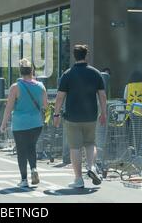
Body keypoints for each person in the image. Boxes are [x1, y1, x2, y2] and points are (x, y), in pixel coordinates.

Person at [53, 45, 107, 188]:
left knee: (75, 147)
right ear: (86, 56)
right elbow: (102, 95)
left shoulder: (67, 74)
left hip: (72, 117)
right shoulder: (96, 73)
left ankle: (78, 179)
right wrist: (104, 113)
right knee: (90, 143)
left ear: (74, 56)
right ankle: (92, 167)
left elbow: (60, 97)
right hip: (91, 116)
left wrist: (56, 114)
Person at [0, 59, 48, 188]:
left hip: (20, 124)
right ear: (32, 71)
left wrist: (3, 123)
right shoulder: (40, 86)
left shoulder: (15, 87)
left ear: (20, 72)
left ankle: (24, 179)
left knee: (21, 150)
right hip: (36, 123)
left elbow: (9, 107)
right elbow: (45, 105)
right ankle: (34, 169)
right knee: (31, 146)